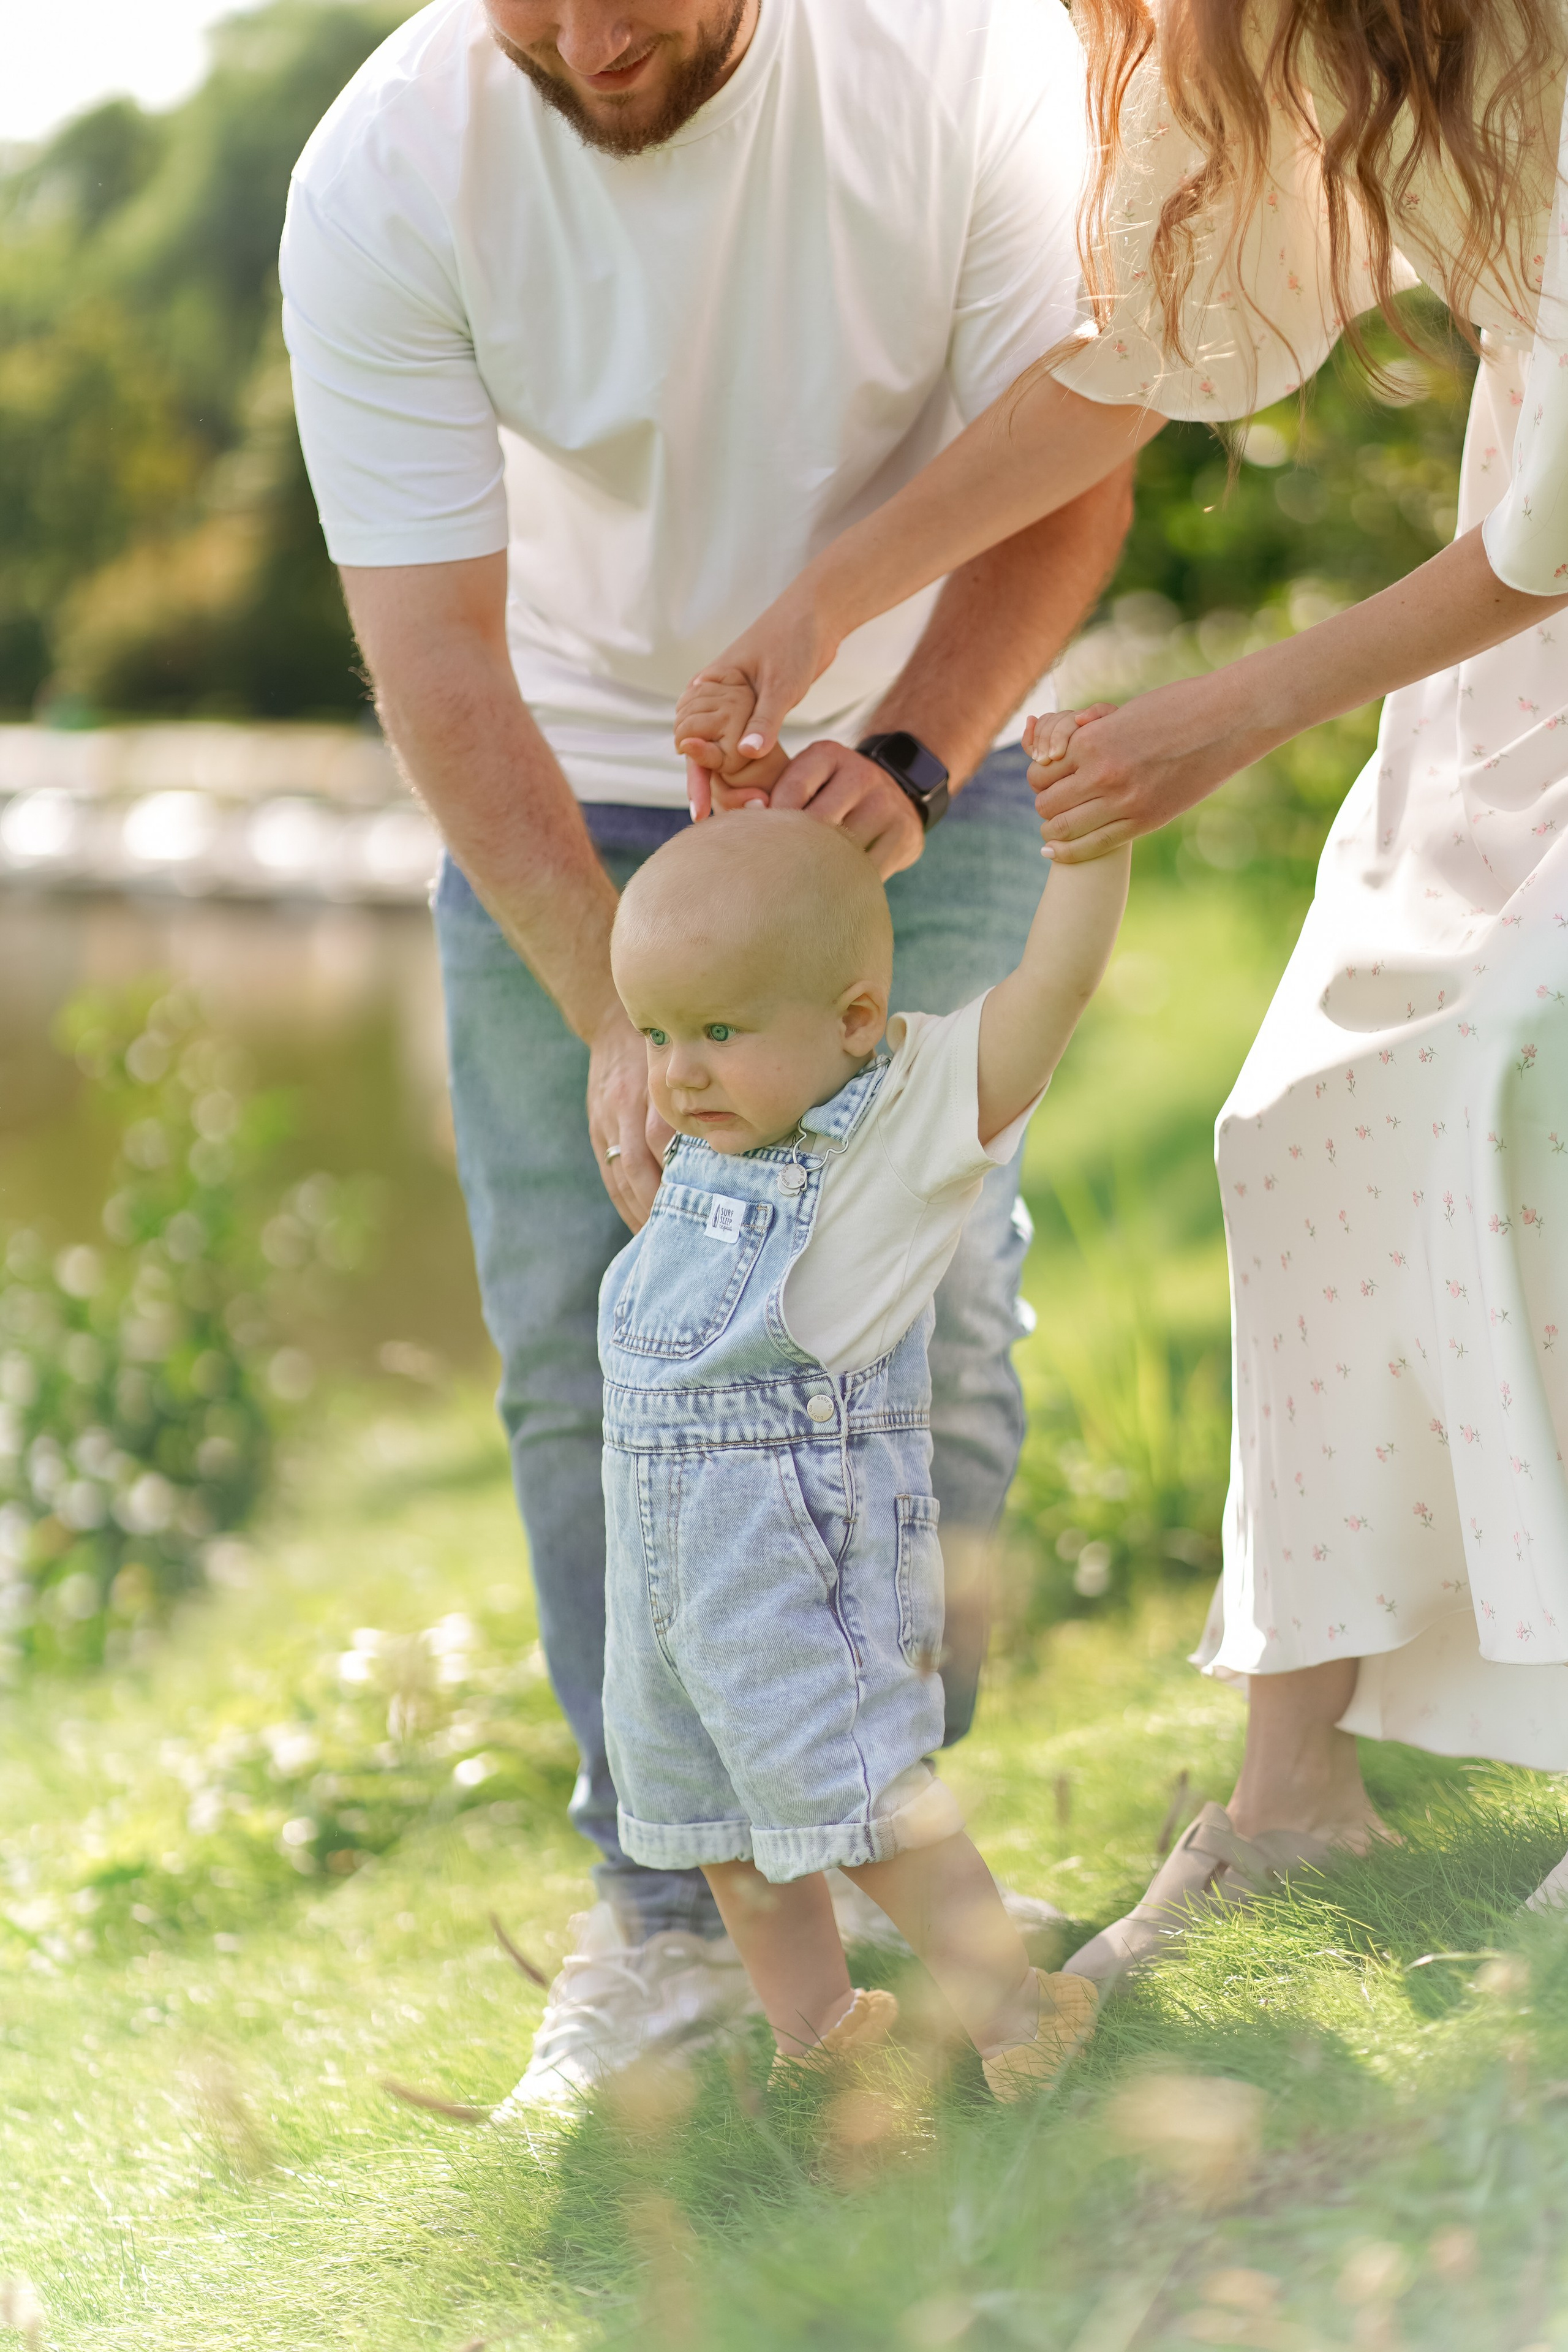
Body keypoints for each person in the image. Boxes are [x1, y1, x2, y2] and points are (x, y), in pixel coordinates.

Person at [279, 0, 1135, 2105]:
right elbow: (431, 649)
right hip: (561, 791)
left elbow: (1081, 445)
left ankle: (882, 1848)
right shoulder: (387, 166)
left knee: (925, 1331)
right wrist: (611, 1006)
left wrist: (922, 747)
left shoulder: (967, 65)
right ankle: (665, 1919)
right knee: (597, 1353)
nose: (587, 37)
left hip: (908, 754)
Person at [674, 0, 1568, 1967]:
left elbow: (1551, 527)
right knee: (1311, 1113)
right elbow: (1158, 356)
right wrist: (828, 597)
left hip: (1543, 556)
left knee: (1538, 1073)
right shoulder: (1299, 47)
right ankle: (1293, 1804)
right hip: (1525, 610)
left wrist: (1218, 722)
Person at [599, 797, 1123, 2086]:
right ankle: (819, 2043)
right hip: (667, 1592)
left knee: (870, 1803)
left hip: (793, 1566)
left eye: (717, 1033)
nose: (677, 1074)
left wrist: (1092, 852)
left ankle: (1015, 2013)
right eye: (659, 1033)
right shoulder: (709, 1145)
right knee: (719, 1826)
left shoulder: (889, 1139)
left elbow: (1040, 1003)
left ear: (847, 1021)